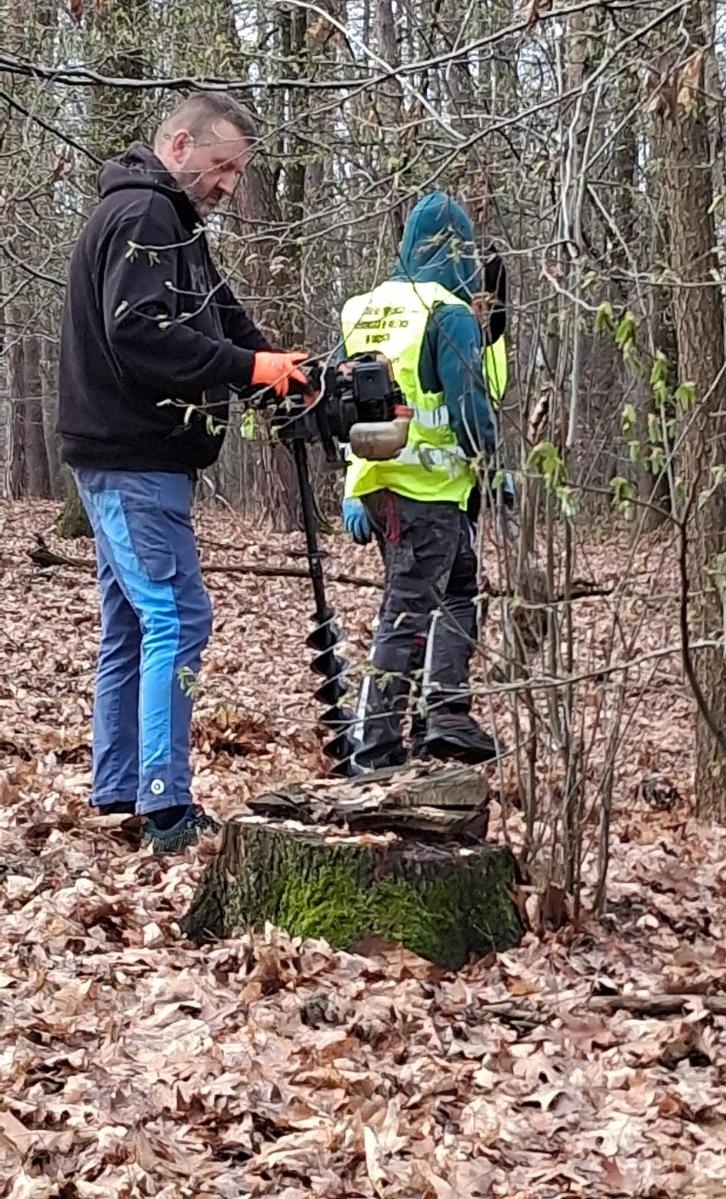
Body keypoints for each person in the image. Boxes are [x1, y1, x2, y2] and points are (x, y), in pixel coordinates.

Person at [57, 91, 308, 852]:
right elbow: (139, 336)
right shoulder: (143, 218)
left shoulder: (175, 228)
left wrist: (276, 374)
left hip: (130, 455)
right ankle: (164, 803)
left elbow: (224, 316)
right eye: (221, 165)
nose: (228, 184)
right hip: (132, 455)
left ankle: (121, 788)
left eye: (237, 171)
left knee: (133, 624)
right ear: (177, 145)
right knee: (175, 616)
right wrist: (248, 364)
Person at [339, 192, 507, 771]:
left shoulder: (363, 308)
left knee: (459, 590)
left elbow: (342, 404)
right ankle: (378, 747)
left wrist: (352, 484)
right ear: (460, 253)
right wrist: (492, 464)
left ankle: (446, 715)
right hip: (429, 490)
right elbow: (468, 408)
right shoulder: (449, 314)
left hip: (383, 483)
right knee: (408, 611)